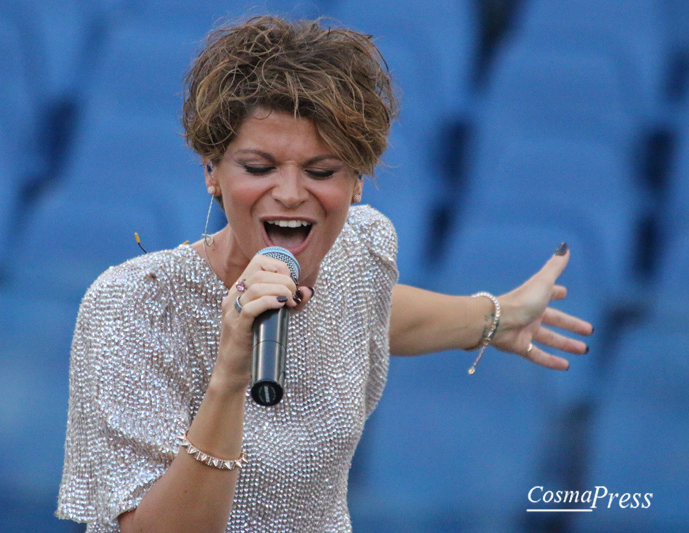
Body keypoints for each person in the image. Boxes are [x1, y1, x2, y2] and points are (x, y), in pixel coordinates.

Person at [56, 15, 593, 532]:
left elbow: (374, 311)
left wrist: (496, 317)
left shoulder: (359, 251)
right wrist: (230, 376)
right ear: (211, 172)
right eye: (258, 167)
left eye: (321, 171)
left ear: (357, 182)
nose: (290, 194)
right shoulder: (135, 305)